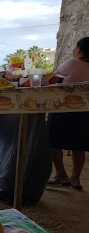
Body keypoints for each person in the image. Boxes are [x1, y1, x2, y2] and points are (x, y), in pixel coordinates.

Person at [47, 37, 89, 191]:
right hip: (85, 113)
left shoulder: (71, 64)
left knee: (53, 142)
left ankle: (61, 174)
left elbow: (52, 79)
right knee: (79, 146)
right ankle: (75, 179)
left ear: (78, 50)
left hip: (64, 110)